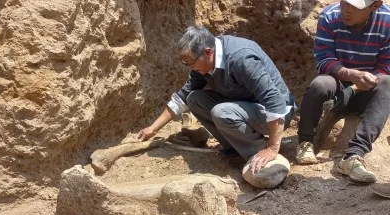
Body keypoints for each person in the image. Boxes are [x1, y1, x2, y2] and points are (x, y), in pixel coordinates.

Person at [138, 25, 295, 181]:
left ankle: (258, 152)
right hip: (246, 106)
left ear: (208, 52)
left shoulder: (241, 59)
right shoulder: (204, 63)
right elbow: (183, 97)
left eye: (191, 63)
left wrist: (273, 148)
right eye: (186, 64)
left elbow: (274, 101)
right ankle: (234, 149)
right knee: (195, 99)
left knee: (222, 112)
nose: (190, 68)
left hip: (278, 113)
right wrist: (153, 128)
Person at [296, 0, 390, 183]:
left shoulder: (387, 20)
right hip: (338, 84)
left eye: (355, 7)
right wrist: (350, 75)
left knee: (388, 83)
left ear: (375, 5)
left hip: (371, 88)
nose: (346, 11)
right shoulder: (329, 16)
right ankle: (305, 141)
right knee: (319, 84)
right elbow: (323, 59)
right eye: (344, 2)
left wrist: (357, 86)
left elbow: (387, 66)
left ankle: (354, 155)